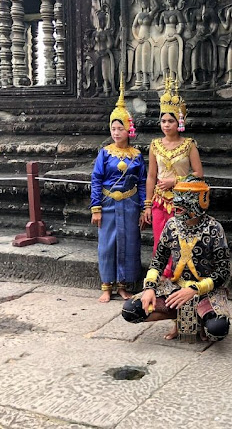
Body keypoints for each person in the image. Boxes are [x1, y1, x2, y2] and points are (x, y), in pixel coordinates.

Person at [122, 176, 231, 342]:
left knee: (217, 329)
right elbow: (158, 260)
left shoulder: (214, 228)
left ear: (201, 200)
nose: (176, 203)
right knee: (131, 310)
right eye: (176, 196)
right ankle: (176, 316)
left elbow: (223, 271)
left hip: (206, 290)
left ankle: (201, 320)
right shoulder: (171, 225)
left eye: (184, 197)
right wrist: (150, 288)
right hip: (174, 287)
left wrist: (195, 289)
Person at [90, 79, 147, 303]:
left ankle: (124, 285)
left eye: (120, 128)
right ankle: (106, 286)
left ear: (128, 129)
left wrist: (145, 208)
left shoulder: (137, 155)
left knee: (129, 243)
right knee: (107, 244)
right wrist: (96, 208)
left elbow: (142, 182)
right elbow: (96, 179)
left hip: (130, 203)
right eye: (113, 128)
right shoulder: (105, 153)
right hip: (108, 203)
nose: (116, 132)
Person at [141, 76, 203, 278]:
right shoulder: (155, 145)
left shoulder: (189, 144)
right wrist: (148, 205)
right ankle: (161, 281)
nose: (166, 125)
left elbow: (198, 174)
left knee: (182, 241)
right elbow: (151, 176)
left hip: (183, 201)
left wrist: (175, 181)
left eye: (171, 121)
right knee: (160, 241)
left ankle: (181, 280)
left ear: (180, 122)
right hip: (160, 202)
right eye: (163, 121)